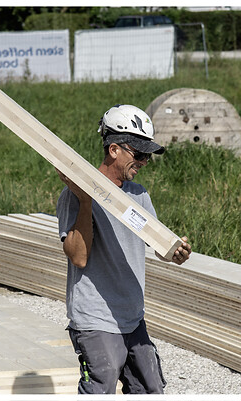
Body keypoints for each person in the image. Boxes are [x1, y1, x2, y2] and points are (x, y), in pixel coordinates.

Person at [55, 104, 191, 394]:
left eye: (147, 156)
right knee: (100, 388)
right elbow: (78, 257)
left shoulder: (139, 196)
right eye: (138, 154)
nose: (144, 161)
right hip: (96, 317)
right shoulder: (74, 195)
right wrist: (87, 201)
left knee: (150, 388)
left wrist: (174, 252)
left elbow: (157, 243)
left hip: (132, 316)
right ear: (114, 149)